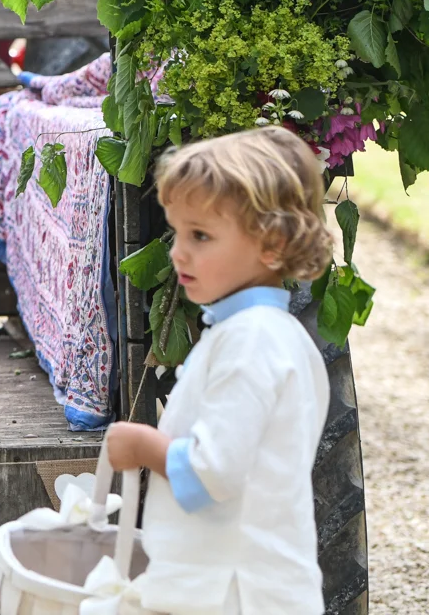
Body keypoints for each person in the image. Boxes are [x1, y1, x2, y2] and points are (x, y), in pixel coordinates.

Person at [101, 127, 332, 615]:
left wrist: (143, 446)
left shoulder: (251, 342)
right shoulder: (267, 334)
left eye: (201, 236)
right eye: (179, 232)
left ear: (272, 245)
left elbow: (215, 471)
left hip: (233, 592)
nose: (178, 252)